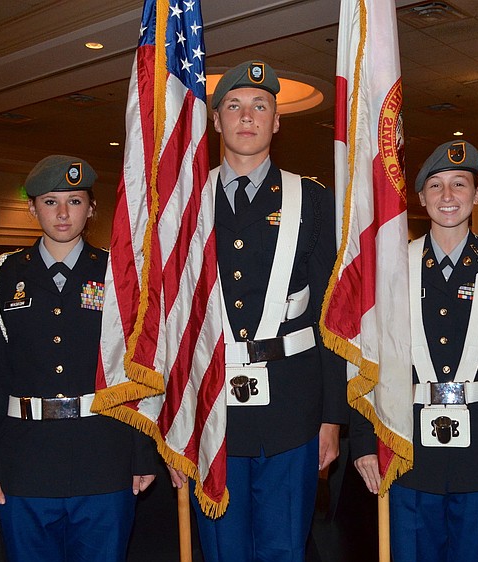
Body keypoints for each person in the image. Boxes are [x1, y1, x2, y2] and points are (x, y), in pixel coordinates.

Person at [169, 61, 347, 562]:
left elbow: (332, 316)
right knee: (222, 551)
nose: (247, 116)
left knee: (284, 548)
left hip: (293, 408)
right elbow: (171, 322)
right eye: (234, 106)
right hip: (210, 411)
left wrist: (332, 418)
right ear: (216, 121)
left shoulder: (313, 200)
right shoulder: (185, 204)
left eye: (260, 106)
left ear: (276, 122)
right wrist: (171, 422)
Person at [351, 140, 478, 561]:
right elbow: (369, 356)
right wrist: (363, 440)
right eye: (435, 185)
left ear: (477, 193)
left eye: (459, 183)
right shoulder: (393, 265)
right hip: (410, 446)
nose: (447, 195)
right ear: (421, 197)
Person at [0, 155, 157, 562]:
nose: (62, 213)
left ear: (91, 209)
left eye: (74, 201)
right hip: (24, 464)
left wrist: (141, 453)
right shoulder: (3, 275)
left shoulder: (118, 273)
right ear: (32, 208)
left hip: (103, 457)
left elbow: (136, 370)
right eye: (50, 201)